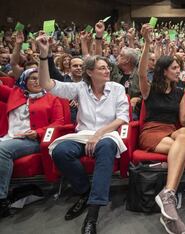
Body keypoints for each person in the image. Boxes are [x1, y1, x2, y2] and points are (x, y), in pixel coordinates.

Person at [37, 34, 130, 234]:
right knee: (60, 152)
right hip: (82, 135)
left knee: (105, 148)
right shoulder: (80, 88)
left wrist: (99, 134)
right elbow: (46, 84)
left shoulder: (117, 88)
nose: (108, 70)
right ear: (90, 72)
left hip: (107, 135)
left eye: (107, 67)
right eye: (102, 68)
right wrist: (44, 57)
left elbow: (122, 118)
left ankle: (92, 214)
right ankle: (85, 191)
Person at [138, 24, 185, 234]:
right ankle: (169, 197)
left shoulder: (181, 91)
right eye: (174, 68)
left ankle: (168, 194)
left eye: (178, 68)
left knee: (184, 132)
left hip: (172, 129)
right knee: (183, 149)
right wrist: (147, 43)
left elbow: (183, 121)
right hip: (152, 130)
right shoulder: (150, 90)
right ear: (164, 71)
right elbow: (140, 74)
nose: (178, 71)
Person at [0, 68, 64, 218]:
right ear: (24, 80)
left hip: (32, 140)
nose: (37, 81)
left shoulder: (52, 98)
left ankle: (1, 200)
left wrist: (39, 132)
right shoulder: (14, 94)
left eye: (40, 78)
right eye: (33, 78)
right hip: (8, 137)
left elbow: (58, 122)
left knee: (2, 150)